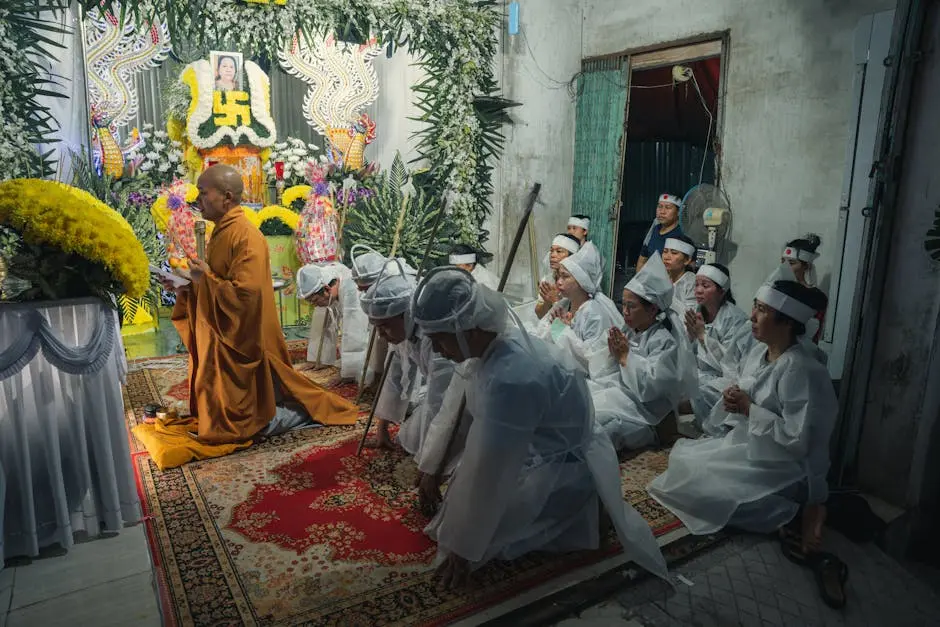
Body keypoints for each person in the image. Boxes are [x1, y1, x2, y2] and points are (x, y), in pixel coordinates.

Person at [410, 267, 667, 588]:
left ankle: (584, 511)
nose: (435, 351)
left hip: (562, 468)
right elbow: (458, 414)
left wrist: (464, 547)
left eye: (439, 340)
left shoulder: (511, 376)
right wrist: (433, 467)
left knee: (489, 542)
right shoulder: (490, 348)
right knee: (456, 509)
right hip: (538, 449)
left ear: (467, 330)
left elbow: (491, 469)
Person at [164, 164, 358, 443]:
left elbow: (246, 296)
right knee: (220, 407)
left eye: (204, 193)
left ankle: (293, 415)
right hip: (221, 333)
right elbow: (215, 278)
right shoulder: (221, 230)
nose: (198, 200)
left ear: (227, 197)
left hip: (242, 338)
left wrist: (203, 280)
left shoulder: (247, 237)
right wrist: (186, 284)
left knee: (247, 421)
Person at [648, 265, 836, 547]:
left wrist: (749, 408)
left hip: (789, 466)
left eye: (762, 311)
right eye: (755, 307)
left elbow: (798, 441)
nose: (752, 317)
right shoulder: (761, 351)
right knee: (685, 468)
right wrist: (734, 400)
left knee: (706, 494)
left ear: (786, 321)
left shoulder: (801, 369)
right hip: (756, 446)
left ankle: (795, 512)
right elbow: (743, 384)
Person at [359, 262, 471, 517]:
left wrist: (430, 468)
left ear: (405, 316)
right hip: (441, 392)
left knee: (454, 458)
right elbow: (395, 375)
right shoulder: (402, 331)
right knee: (410, 438)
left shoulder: (437, 339)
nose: (381, 336)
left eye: (384, 327)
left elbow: (441, 403)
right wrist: (382, 425)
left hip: (467, 398)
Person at [592, 253, 698, 451]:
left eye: (631, 306)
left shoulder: (664, 341)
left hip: (647, 413)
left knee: (600, 427)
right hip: (622, 396)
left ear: (651, 310)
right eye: (623, 304)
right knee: (583, 398)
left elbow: (651, 389)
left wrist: (625, 357)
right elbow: (600, 371)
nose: (625, 311)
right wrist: (611, 354)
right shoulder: (628, 330)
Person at [683, 264, 754, 424]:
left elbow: (731, 364)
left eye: (705, 286)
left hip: (723, 378)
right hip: (698, 372)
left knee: (704, 393)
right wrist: (690, 335)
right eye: (697, 285)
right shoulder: (695, 311)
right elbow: (685, 352)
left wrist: (702, 336)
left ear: (721, 291)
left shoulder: (735, 319)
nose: (698, 290)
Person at [539, 244, 624, 371]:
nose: (558, 282)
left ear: (581, 281)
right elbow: (540, 332)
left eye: (565, 276)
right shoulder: (564, 304)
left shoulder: (594, 314)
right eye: (558, 277)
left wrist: (562, 331)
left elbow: (591, 362)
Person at [296, 260, 372, 383]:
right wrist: (317, 357)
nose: (314, 305)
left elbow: (354, 333)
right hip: (332, 291)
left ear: (327, 288)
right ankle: (319, 359)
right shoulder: (327, 276)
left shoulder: (351, 290)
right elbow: (322, 310)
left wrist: (348, 372)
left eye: (315, 300)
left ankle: (354, 369)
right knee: (321, 311)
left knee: (353, 327)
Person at [782, 234, 828, 344]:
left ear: (806, 266)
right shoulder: (776, 288)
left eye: (792, 263)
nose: (785, 266)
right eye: (783, 261)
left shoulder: (815, 297)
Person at [534, 233, 581, 320]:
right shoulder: (549, 280)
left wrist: (556, 301)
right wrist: (547, 302)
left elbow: (575, 322)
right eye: (551, 251)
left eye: (559, 251)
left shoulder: (576, 283)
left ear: (572, 257)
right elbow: (539, 315)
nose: (552, 255)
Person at [636, 193, 684, 272]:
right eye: (659, 206)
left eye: (668, 207)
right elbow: (642, 260)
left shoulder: (681, 235)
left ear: (678, 212)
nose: (662, 211)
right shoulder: (655, 229)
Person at [662, 235, 698, 315]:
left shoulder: (692, 282)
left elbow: (690, 317)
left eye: (674, 253)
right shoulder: (660, 278)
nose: (666, 257)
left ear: (687, 260)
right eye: (665, 251)